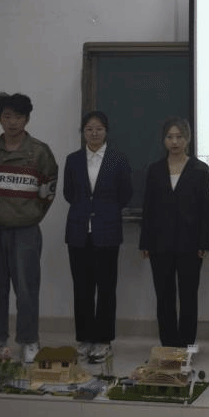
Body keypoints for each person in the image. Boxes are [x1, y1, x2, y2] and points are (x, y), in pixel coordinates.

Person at [0, 92, 58, 364]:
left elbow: (47, 193)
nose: (12, 122)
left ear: (27, 119)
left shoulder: (40, 152)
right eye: (7, 116)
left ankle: (29, 340)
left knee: (26, 288)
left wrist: (28, 215)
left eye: (19, 117)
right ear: (0, 118)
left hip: (25, 232)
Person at [62, 111, 133, 364]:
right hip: (78, 232)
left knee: (106, 288)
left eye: (99, 129)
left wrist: (104, 211)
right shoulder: (73, 160)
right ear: (83, 132)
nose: (94, 133)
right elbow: (69, 193)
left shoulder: (118, 159)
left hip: (107, 232)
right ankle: (84, 338)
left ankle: (103, 341)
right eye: (89, 129)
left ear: (106, 132)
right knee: (81, 288)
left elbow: (126, 193)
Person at [139, 117, 209, 348]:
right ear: (164, 140)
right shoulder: (155, 170)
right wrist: (145, 242)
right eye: (170, 137)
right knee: (164, 295)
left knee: (188, 295)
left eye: (179, 137)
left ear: (187, 139)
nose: (174, 142)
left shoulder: (200, 169)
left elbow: (206, 210)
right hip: (160, 243)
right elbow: (148, 208)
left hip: (190, 243)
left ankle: (186, 344)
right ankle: (168, 345)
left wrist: (204, 242)